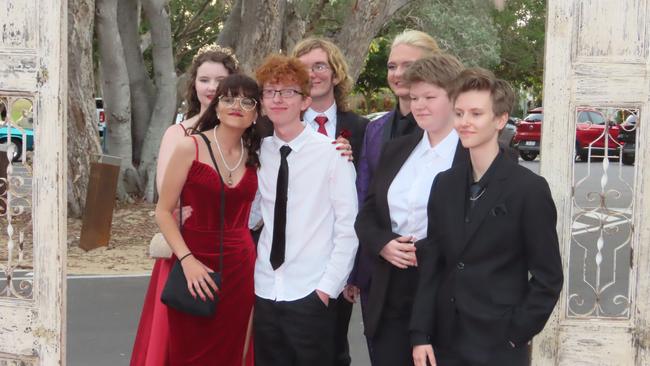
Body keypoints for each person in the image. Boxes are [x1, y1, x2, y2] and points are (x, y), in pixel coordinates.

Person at [410, 68, 563, 366]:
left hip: (499, 346)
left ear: (500, 120)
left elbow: (548, 278)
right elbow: (434, 264)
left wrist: (515, 334)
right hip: (444, 342)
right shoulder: (444, 184)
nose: (465, 122)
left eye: (476, 114)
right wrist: (420, 333)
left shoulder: (529, 190)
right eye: (459, 113)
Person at [133, 74, 260, 365]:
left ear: (255, 114)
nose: (236, 105)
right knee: (187, 351)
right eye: (228, 98)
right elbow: (163, 212)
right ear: (216, 107)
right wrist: (187, 260)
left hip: (241, 269)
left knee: (233, 351)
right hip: (194, 261)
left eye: (246, 100)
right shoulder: (189, 147)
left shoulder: (255, 154)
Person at [354, 53, 467, 366]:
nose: (419, 105)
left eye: (430, 96)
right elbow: (367, 213)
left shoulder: (474, 157)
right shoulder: (397, 149)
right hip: (392, 289)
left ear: (455, 97)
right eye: (414, 97)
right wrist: (383, 244)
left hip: (447, 295)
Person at [253, 54, 359, 366]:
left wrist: (327, 289)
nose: (278, 99)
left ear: (304, 101)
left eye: (288, 92)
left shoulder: (332, 153)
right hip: (266, 289)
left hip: (312, 293)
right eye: (270, 92)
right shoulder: (260, 152)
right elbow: (253, 214)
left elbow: (348, 227)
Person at [349, 29, 440, 360]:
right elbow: (364, 198)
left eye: (409, 65)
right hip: (380, 269)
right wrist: (367, 259)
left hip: (433, 276)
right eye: (392, 66)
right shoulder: (374, 129)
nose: (399, 74)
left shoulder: (445, 130)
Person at [292, 37, 369, 366]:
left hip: (339, 257)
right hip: (290, 258)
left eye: (320, 65)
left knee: (335, 349)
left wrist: (357, 271)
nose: (312, 73)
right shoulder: (276, 127)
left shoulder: (364, 130)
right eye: (304, 68)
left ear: (336, 74)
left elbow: (371, 200)